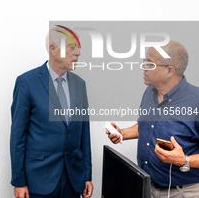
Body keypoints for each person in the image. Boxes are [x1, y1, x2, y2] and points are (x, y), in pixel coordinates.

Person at [107, 41, 199, 198]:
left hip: (183, 192)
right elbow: (147, 126)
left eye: (149, 64)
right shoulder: (149, 92)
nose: (143, 67)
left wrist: (185, 160)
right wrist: (122, 133)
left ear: (169, 71)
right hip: (147, 187)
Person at [10, 26, 93, 198]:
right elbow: (18, 136)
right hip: (39, 180)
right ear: (53, 49)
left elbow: (84, 133)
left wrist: (87, 175)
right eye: (71, 48)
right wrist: (19, 181)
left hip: (73, 179)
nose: (77, 53)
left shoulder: (80, 84)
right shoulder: (27, 82)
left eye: (78, 48)